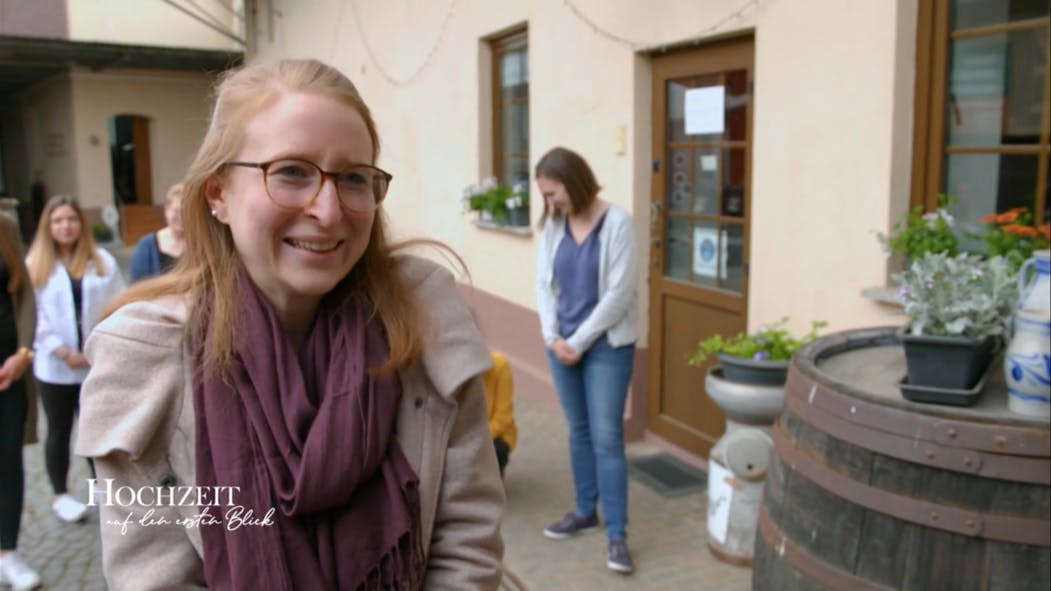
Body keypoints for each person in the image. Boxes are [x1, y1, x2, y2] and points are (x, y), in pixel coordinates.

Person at [74, 58, 505, 590]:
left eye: (352, 178)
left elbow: (466, 542)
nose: (328, 210)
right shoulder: (143, 360)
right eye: (292, 172)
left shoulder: (422, 317)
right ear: (217, 194)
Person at [534, 146, 639, 574]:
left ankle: (617, 535)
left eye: (554, 194)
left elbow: (619, 294)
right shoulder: (555, 227)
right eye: (545, 196)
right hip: (562, 345)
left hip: (606, 347)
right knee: (577, 431)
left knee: (607, 437)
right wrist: (552, 336)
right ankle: (584, 511)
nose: (550, 203)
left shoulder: (618, 224)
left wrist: (577, 341)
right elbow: (544, 285)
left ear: (574, 183)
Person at [25, 195, 126, 524]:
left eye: (70, 219)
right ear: (48, 227)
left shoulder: (103, 262)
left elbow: (119, 306)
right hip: (55, 367)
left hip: (95, 364)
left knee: (97, 428)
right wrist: (60, 349)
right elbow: (32, 315)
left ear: (80, 224)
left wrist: (98, 348)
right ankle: (60, 494)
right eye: (57, 221)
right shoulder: (35, 265)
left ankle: (103, 490)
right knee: (59, 429)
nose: (65, 226)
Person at [0, 213, 42, 590]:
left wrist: (23, 353)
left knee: (7, 459)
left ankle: (7, 554)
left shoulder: (6, 224)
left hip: (8, 373)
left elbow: (26, 293)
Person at [128, 182, 185, 281]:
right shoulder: (147, 245)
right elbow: (137, 284)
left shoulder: (201, 246)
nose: (182, 217)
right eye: (177, 211)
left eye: (186, 212)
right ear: (166, 211)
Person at [482, 352, 517, 477]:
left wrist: (477, 439)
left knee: (496, 450)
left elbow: (504, 417)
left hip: (494, 436)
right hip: (468, 437)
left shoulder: (500, 366)